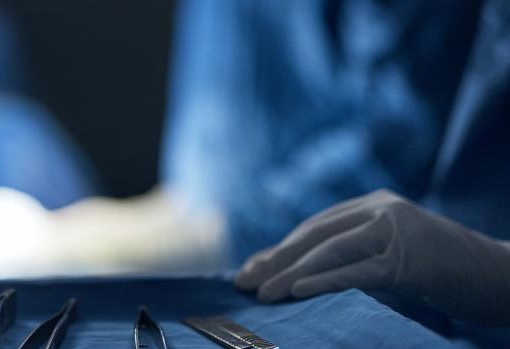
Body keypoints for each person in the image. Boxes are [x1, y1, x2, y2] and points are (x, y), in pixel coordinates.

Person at [158, 0, 510, 325]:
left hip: (412, 314)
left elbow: (401, 134)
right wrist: (182, 210)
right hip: (247, 276)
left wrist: (229, 232)